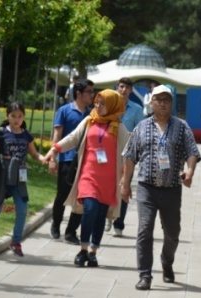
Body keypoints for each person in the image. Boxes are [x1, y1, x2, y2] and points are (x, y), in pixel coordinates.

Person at [120, 85, 201, 290]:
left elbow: (192, 151)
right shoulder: (141, 127)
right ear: (151, 102)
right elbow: (130, 157)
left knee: (172, 233)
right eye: (159, 99)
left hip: (172, 188)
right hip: (147, 188)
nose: (163, 103)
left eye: (166, 99)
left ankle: (167, 261)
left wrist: (190, 171)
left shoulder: (182, 127)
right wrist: (125, 184)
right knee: (144, 230)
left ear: (171, 103)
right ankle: (145, 275)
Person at [44, 89, 130, 267]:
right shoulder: (89, 120)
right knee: (89, 209)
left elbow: (128, 152)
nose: (97, 105)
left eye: (102, 103)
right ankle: (83, 249)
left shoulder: (119, 127)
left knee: (100, 215)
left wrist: (125, 178)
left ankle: (93, 252)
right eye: (97, 102)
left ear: (113, 105)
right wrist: (55, 149)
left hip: (108, 180)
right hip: (87, 175)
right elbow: (72, 138)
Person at [0, 102, 46, 257]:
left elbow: (34, 154)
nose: (16, 119)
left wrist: (43, 158)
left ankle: (15, 242)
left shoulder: (26, 135)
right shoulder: (0, 133)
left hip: (19, 176)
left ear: (23, 117)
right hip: (2, 174)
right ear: (7, 116)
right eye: (13, 116)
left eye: (20, 116)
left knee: (22, 209)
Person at [48, 78, 94, 245]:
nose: (92, 95)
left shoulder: (92, 114)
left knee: (82, 197)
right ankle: (56, 223)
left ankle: (71, 231)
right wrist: (52, 157)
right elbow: (57, 137)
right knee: (62, 194)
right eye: (89, 92)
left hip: (86, 162)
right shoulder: (64, 111)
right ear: (79, 93)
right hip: (67, 160)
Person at [105, 77, 144, 237]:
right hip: (107, 153)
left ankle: (119, 223)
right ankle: (108, 215)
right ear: (117, 87)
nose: (123, 90)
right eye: (121, 86)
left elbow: (139, 131)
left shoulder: (136, 109)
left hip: (127, 156)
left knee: (124, 187)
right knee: (107, 187)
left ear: (130, 90)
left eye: (127, 87)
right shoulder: (108, 106)